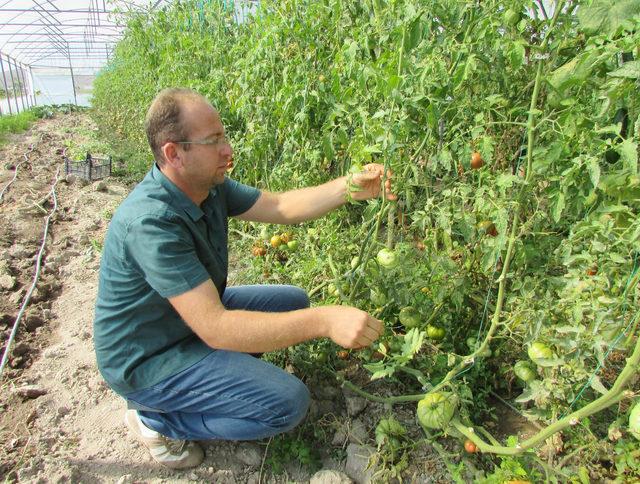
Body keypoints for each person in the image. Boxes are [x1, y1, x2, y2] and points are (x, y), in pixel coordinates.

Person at [93, 88, 396, 469]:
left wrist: (351, 187)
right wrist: (325, 320)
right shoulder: (151, 223)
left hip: (181, 323)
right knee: (288, 403)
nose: (227, 149)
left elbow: (282, 206)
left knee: (292, 300)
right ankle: (157, 420)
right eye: (214, 140)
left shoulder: (207, 186)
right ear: (174, 153)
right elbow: (217, 327)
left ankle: (212, 378)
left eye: (224, 135)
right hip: (148, 357)